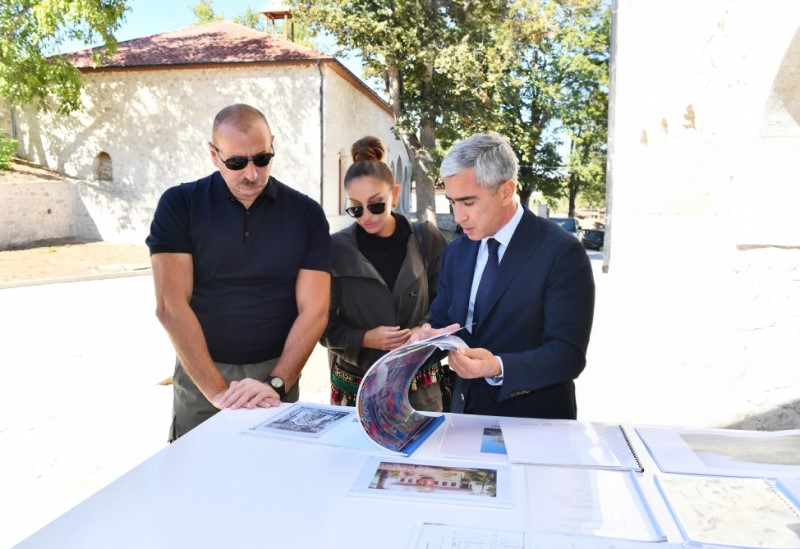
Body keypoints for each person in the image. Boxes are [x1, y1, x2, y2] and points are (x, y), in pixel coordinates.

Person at [145, 103, 331, 441]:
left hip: (276, 374)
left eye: (262, 159)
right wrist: (218, 392)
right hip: (201, 374)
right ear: (213, 155)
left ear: (272, 145)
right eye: (236, 163)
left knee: (275, 469)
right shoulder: (180, 205)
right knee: (197, 469)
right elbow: (170, 306)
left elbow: (315, 310)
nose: (252, 174)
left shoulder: (306, 213)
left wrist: (277, 382)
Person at [415, 132, 595, 419]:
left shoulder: (561, 252)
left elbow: (567, 355)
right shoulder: (456, 252)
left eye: (468, 203)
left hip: (534, 422)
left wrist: (496, 367)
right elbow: (442, 322)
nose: (458, 216)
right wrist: (425, 339)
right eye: (452, 202)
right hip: (464, 416)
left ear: (506, 191)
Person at [320, 136, 447, 411]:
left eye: (376, 204)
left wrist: (421, 331)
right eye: (355, 208)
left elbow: (448, 304)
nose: (366, 216)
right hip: (355, 394)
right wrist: (365, 338)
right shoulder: (334, 249)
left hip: (420, 392)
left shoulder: (426, 239)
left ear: (395, 194)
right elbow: (320, 324)